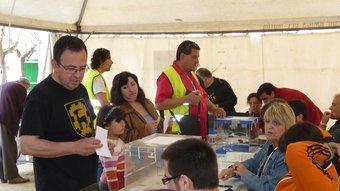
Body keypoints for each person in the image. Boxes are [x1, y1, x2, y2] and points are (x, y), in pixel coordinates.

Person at [19, 35, 103, 190]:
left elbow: (86, 131)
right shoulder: (40, 96)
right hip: (57, 184)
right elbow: (26, 145)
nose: (78, 75)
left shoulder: (80, 88)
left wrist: (101, 144)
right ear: (55, 65)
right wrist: (74, 147)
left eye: (82, 68)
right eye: (71, 68)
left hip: (88, 180)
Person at [155, 40, 225, 139]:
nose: (197, 61)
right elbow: (159, 105)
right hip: (178, 132)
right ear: (182, 56)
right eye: (194, 57)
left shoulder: (192, 75)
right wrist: (185, 99)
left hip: (196, 130)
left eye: (198, 57)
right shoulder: (167, 75)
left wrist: (214, 109)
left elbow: (202, 97)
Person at [219, 101, 295, 191]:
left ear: (288, 127)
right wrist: (234, 170)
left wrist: (244, 173)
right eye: (267, 121)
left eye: (276, 123)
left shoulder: (286, 155)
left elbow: (269, 189)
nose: (269, 126)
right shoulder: (269, 143)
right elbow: (255, 162)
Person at [275, 122, 339, 191]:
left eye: (287, 155)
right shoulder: (298, 174)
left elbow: (294, 150)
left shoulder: (321, 181)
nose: (285, 160)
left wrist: (326, 148)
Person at [111, 71, 164, 143]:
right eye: (125, 87)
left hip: (157, 144)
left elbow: (158, 125)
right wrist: (145, 130)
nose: (131, 89)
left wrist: (166, 124)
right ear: (119, 91)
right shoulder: (118, 110)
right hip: (138, 150)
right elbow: (123, 138)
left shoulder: (147, 102)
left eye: (133, 84)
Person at [0, 78, 30, 184]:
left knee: (2, 149)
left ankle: (3, 176)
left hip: (1, 119)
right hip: (5, 119)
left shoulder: (5, 85)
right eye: (27, 87)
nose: (26, 90)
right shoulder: (20, 88)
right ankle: (12, 177)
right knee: (9, 149)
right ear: (24, 84)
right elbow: (25, 109)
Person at [257, 82, 322, 125]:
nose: (265, 103)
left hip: (311, 121)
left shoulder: (286, 97)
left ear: (272, 93)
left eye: (265, 99)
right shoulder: (281, 94)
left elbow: (286, 120)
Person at [96, 105, 126, 191]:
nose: (123, 124)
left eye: (123, 120)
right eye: (118, 121)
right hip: (111, 184)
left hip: (118, 180)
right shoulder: (109, 146)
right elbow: (110, 172)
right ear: (106, 125)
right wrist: (114, 189)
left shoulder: (116, 140)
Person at [83, 48, 113, 113]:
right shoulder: (97, 78)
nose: (112, 62)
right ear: (101, 61)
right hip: (99, 120)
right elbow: (105, 105)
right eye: (109, 58)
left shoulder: (90, 74)